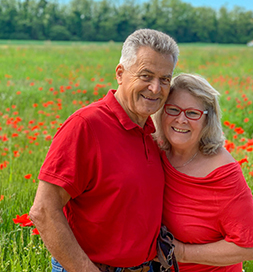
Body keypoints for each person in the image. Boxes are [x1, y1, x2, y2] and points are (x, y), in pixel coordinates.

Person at [29, 29, 179, 272]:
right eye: (146, 75)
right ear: (120, 74)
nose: (155, 88)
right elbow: (44, 210)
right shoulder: (85, 125)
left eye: (165, 79)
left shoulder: (154, 132)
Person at [153, 73, 253, 272]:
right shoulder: (156, 150)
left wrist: (183, 252)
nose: (181, 119)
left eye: (192, 113)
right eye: (173, 109)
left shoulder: (223, 174)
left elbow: (248, 247)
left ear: (207, 119)